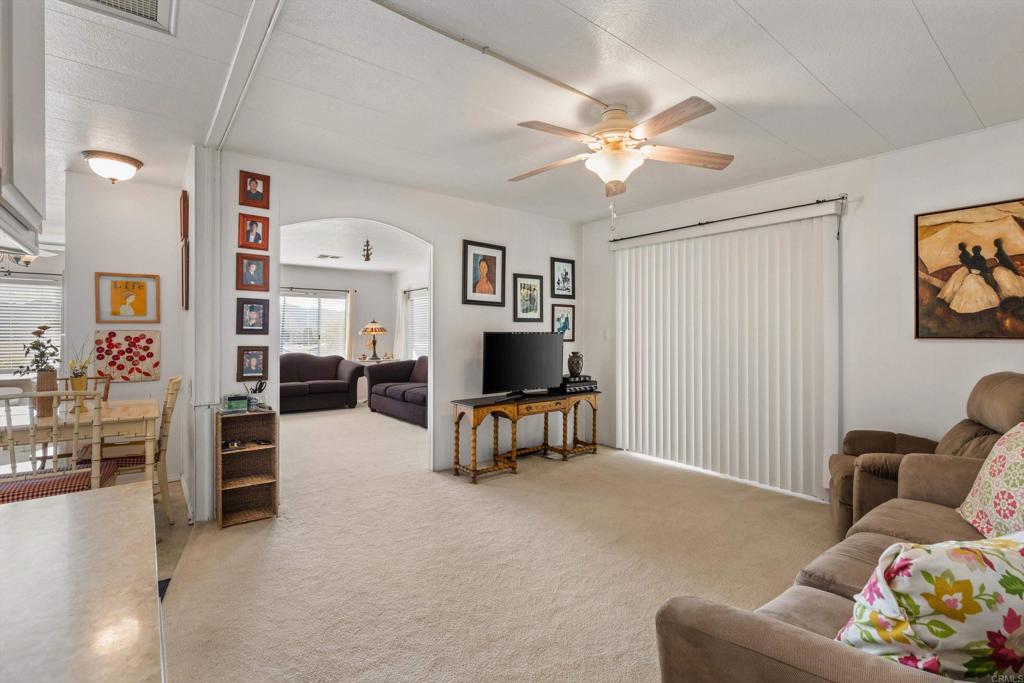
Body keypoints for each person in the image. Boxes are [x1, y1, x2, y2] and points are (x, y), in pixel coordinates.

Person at [949, 245, 1000, 314]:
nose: (977, 252)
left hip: (973, 274)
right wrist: (982, 271)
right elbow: (980, 267)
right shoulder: (976, 258)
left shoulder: (973, 258)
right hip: (976, 274)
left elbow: (973, 266)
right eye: (977, 251)